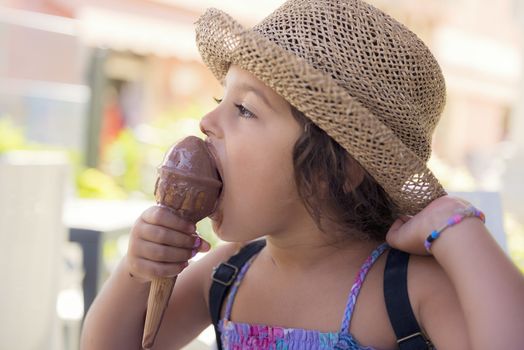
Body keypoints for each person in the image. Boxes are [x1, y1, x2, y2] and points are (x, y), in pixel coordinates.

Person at [80, 0, 524, 349]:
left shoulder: (406, 291)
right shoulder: (229, 272)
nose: (207, 122)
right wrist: (136, 273)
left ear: (340, 169)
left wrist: (458, 228)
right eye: (220, 98)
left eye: (244, 110)